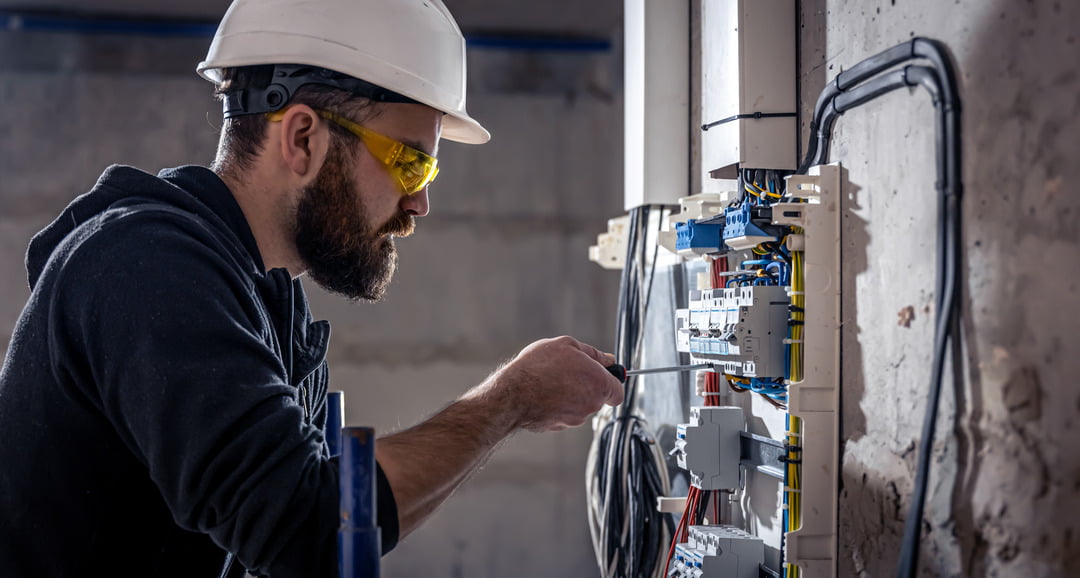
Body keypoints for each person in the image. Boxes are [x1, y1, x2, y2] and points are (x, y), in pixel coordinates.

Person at [0, 0, 624, 576]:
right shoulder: (143, 267)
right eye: (410, 161)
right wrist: (507, 400)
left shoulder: (263, 304)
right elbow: (309, 525)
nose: (421, 201)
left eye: (428, 169)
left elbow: (313, 539)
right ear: (302, 138)